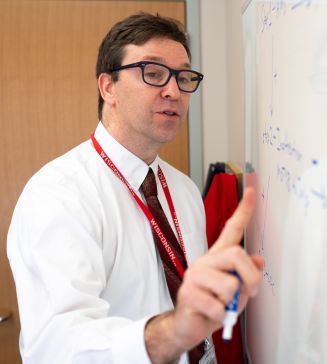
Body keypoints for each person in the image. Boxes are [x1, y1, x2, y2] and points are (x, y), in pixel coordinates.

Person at [7, 12, 263, 364]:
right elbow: (57, 347)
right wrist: (174, 331)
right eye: (153, 73)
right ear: (107, 87)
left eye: (183, 77)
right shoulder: (58, 195)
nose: (173, 90)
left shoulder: (184, 190)